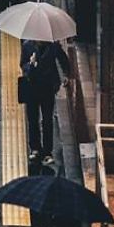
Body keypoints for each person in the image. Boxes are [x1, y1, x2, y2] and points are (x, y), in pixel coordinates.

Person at [20, 38, 71, 166]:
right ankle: (35, 148)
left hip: (48, 87)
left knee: (47, 119)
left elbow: (63, 60)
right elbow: (23, 65)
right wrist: (31, 64)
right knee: (32, 118)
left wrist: (66, 75)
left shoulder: (53, 46)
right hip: (31, 87)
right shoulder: (27, 46)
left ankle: (48, 151)